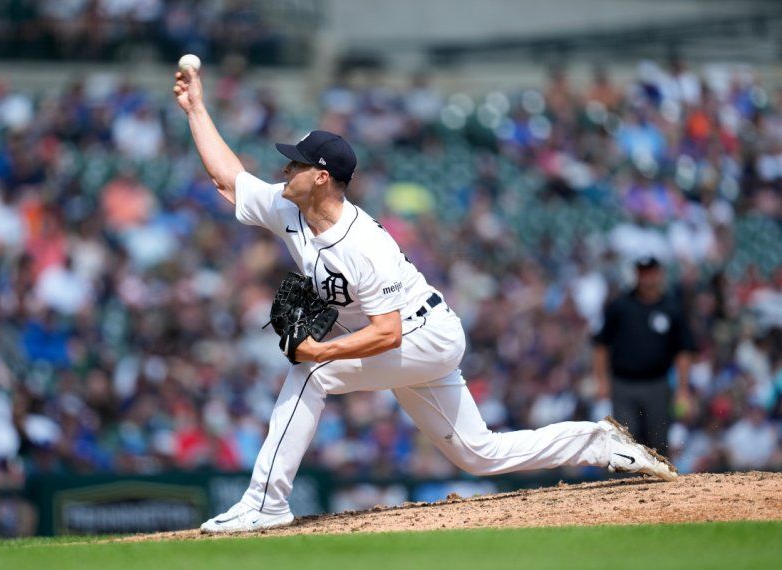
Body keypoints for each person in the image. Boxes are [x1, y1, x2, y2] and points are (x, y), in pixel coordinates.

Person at [171, 66, 678, 534]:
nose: (284, 170)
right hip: (404, 339)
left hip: (424, 334)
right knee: (479, 454)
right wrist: (196, 108)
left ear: (321, 177)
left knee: (311, 374)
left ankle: (266, 502)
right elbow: (228, 179)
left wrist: (320, 352)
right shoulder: (288, 208)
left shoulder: (364, 245)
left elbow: (387, 332)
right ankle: (600, 441)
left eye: (295, 164)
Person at [593, 256, 696, 456]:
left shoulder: (672, 308)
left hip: (657, 384)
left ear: (659, 274)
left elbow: (683, 351)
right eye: (642, 273)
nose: (647, 278)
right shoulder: (620, 307)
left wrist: (683, 389)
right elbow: (601, 346)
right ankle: (626, 487)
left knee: (658, 441)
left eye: (651, 272)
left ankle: (660, 486)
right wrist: (601, 381)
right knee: (625, 440)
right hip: (623, 385)